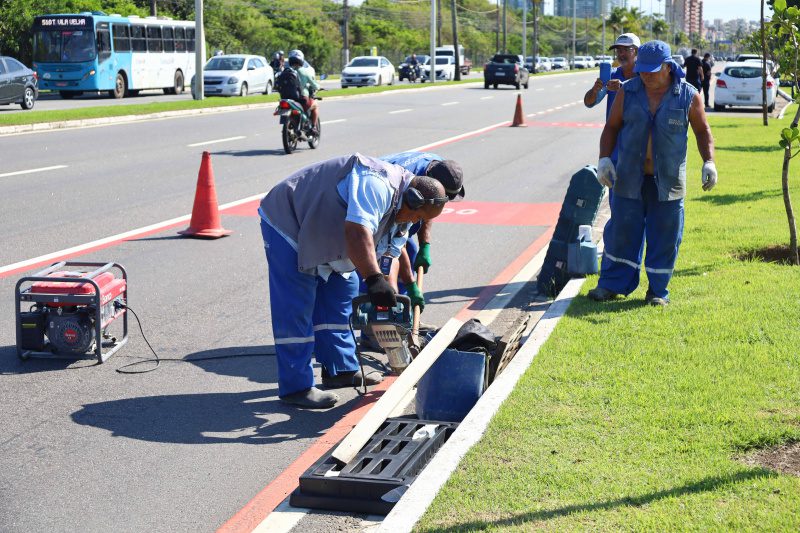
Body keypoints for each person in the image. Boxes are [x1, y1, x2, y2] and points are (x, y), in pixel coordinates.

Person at [259, 153, 449, 408]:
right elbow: (358, 232)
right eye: (416, 217)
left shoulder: (406, 210)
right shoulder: (377, 184)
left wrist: (388, 294)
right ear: (412, 201)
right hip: (291, 219)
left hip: (329, 231)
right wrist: (372, 279)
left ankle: (341, 370)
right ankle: (297, 387)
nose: (414, 223)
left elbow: (388, 255)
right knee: (296, 305)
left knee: (341, 297)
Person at [587, 40, 716, 306]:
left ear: (668, 67)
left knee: (665, 235)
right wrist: (604, 160)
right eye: (642, 69)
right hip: (628, 178)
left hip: (668, 181)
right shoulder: (628, 91)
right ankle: (611, 285)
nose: (645, 74)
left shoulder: (689, 96)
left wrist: (709, 162)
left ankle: (657, 291)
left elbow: (702, 131)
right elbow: (611, 127)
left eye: (652, 70)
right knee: (621, 232)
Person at [358, 152, 465, 351]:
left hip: (404, 210)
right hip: (378, 212)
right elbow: (391, 251)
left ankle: (403, 320)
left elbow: (429, 208)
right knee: (374, 271)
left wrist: (425, 244)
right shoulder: (408, 182)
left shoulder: (438, 168)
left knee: (411, 252)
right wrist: (393, 289)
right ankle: (373, 330)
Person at [583, 32, 641, 165]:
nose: (621, 54)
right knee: (614, 184)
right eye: (618, 50)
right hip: (615, 144)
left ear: (637, 51)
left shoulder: (646, 76)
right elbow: (589, 102)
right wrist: (595, 90)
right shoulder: (612, 75)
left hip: (640, 145)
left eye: (626, 50)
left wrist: (623, 86)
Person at [287, 50, 320, 135]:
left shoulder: (286, 71)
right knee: (315, 105)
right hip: (302, 98)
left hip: (288, 98)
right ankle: (313, 127)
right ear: (301, 60)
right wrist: (318, 87)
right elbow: (315, 85)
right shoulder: (305, 72)